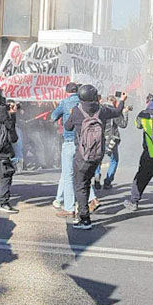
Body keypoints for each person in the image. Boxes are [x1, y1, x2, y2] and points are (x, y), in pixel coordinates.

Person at [64, 84, 126, 230]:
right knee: (86, 182)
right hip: (98, 155)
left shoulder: (77, 112)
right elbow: (117, 112)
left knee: (80, 185)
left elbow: (67, 127)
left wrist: (71, 114)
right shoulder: (102, 110)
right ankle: (85, 214)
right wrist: (122, 100)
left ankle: (84, 219)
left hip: (82, 155)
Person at [50, 83, 100, 218]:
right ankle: (92, 198)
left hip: (69, 142)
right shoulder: (89, 104)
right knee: (83, 175)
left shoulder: (65, 103)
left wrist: (61, 113)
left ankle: (69, 207)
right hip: (85, 144)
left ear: (66, 91)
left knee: (68, 176)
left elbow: (53, 117)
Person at [93, 95, 129, 190]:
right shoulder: (113, 111)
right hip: (111, 139)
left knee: (98, 159)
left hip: (99, 138)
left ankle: (97, 175)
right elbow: (123, 124)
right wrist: (125, 113)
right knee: (114, 160)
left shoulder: (100, 110)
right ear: (114, 102)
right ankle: (108, 181)